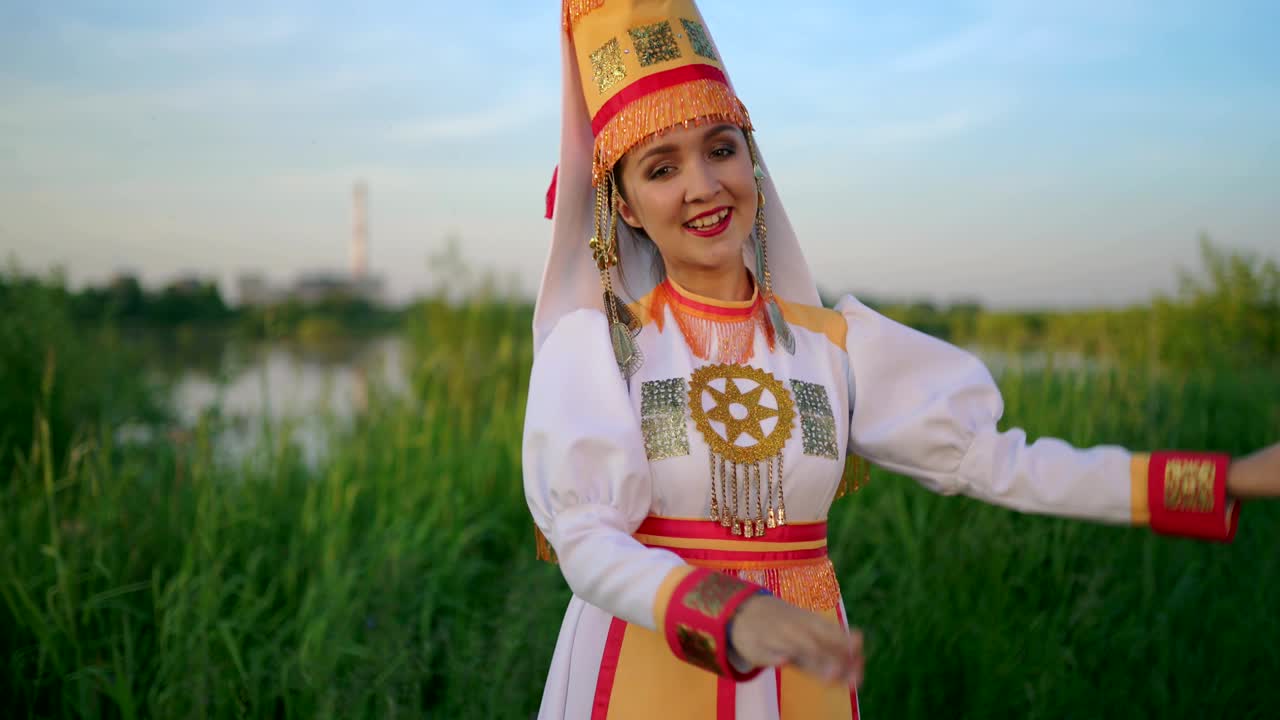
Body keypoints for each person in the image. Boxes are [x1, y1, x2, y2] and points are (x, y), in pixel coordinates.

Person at [523, 1, 1280, 718]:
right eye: (661, 168)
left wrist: (1226, 477)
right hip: (644, 667)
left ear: (752, 164)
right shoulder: (605, 348)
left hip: (798, 677)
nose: (703, 186)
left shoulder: (832, 348)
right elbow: (584, 538)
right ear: (621, 204)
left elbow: (1001, 464)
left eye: (721, 150)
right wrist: (725, 609)